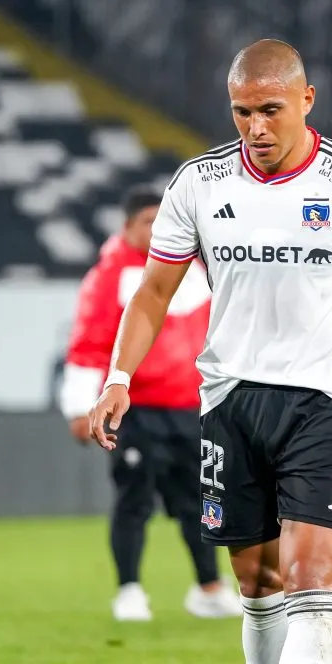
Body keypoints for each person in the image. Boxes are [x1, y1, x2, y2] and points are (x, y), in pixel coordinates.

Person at [86, 39, 332, 664]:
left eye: (271, 109)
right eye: (242, 112)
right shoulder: (199, 183)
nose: (256, 127)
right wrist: (117, 377)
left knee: (312, 581)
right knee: (259, 587)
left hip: (326, 401)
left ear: (307, 99)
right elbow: (153, 292)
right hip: (230, 399)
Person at [60, 186, 241, 622]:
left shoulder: (195, 268)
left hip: (190, 409)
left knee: (200, 502)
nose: (159, 229)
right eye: (148, 221)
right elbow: (88, 345)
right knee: (134, 500)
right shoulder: (110, 276)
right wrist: (79, 408)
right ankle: (129, 591)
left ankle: (209, 588)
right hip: (134, 410)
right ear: (127, 227)